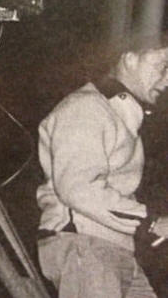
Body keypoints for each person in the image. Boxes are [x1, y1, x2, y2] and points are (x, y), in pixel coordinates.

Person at [36, 33, 168, 297]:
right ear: (129, 58)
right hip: (85, 244)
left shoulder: (121, 115)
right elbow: (78, 188)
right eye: (163, 65)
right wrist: (150, 223)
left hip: (114, 248)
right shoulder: (87, 107)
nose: (167, 80)